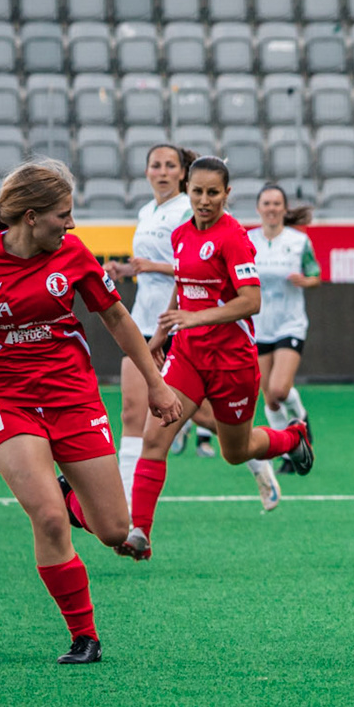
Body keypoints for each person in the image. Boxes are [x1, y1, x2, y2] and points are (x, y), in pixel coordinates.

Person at [0, 159, 183, 664]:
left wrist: (156, 383)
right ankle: (84, 636)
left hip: (73, 398)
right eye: (64, 214)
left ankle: (68, 491)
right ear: (32, 217)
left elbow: (117, 317)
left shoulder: (74, 253)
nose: (72, 224)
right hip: (7, 402)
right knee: (50, 521)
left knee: (115, 532)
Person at [126, 157, 316, 559]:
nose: (205, 200)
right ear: (188, 191)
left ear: (227, 194)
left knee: (236, 452)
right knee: (154, 438)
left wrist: (195, 317)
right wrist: (163, 333)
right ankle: (138, 533)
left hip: (231, 362)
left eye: (213, 192)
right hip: (189, 355)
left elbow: (251, 301)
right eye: (197, 191)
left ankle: (293, 437)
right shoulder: (180, 235)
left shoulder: (234, 238)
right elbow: (184, 283)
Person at [102, 145, 250, 500]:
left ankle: (250, 452)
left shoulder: (190, 209)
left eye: (171, 165)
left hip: (180, 320)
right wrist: (124, 270)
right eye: (156, 165)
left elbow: (193, 269)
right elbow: (153, 264)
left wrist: (154, 267)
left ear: (183, 173)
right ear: (147, 171)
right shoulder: (146, 211)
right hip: (142, 319)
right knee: (132, 411)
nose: (163, 171)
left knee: (189, 413)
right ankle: (125, 501)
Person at [246, 185, 322, 487]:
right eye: (266, 203)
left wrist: (306, 281)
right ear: (258, 208)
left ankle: (301, 417)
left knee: (279, 390)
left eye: (277, 203)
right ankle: (289, 451)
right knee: (271, 401)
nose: (272, 208)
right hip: (259, 325)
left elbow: (315, 275)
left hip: (290, 325)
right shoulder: (247, 239)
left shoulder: (298, 241)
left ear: (284, 207)